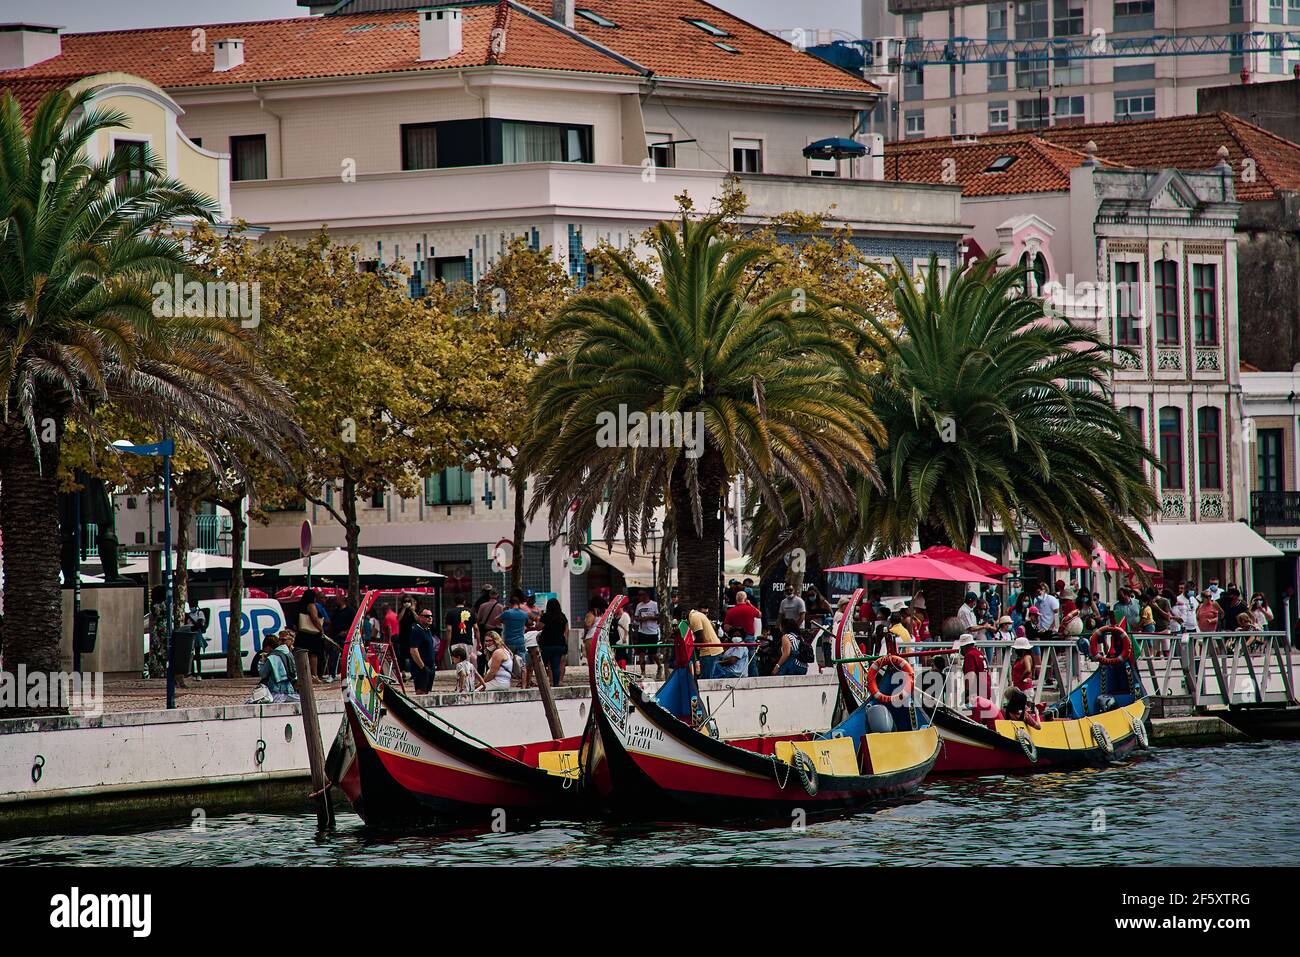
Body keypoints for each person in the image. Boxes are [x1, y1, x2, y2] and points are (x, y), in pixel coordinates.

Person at [254, 631, 300, 703]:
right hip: (290, 690)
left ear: (268, 647)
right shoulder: (287, 653)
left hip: (276, 691)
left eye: (265, 649)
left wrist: (262, 662)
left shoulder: (272, 657)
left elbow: (263, 674)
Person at [499, 590, 532, 678]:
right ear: (518, 604)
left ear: (510, 604)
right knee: (522, 661)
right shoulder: (524, 614)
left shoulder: (507, 613)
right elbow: (529, 623)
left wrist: (504, 614)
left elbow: (497, 620)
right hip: (520, 640)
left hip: (509, 640)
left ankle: (508, 676)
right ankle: (523, 677)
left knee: (508, 660)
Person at [296, 588, 327, 681]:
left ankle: (304, 674)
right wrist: (321, 629)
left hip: (302, 633)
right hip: (312, 634)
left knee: (303, 654)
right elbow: (314, 618)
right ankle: (314, 675)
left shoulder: (300, 605)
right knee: (313, 654)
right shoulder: (311, 605)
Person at [538, 598, 569, 687]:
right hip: (559, 644)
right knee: (556, 665)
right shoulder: (562, 616)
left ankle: (547, 682)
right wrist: (565, 643)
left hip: (547, 644)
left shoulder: (546, 616)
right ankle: (557, 682)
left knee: (545, 664)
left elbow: (539, 627)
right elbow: (566, 630)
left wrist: (540, 617)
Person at [689, 602, 724, 678]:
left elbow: (700, 638)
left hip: (709, 651)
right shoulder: (699, 616)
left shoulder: (695, 617)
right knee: (716, 675)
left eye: (706, 613)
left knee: (706, 678)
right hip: (715, 649)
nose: (705, 615)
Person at [408, 608, 438, 694]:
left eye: (431, 616)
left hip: (430, 666)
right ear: (420, 617)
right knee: (421, 692)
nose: (430, 618)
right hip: (421, 668)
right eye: (427, 616)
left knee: (427, 692)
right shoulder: (417, 630)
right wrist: (422, 667)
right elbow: (413, 650)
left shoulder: (428, 630)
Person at [633, 589, 661, 671]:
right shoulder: (639, 605)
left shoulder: (654, 604)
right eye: (639, 594)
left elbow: (658, 617)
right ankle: (642, 670)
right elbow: (635, 617)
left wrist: (649, 618)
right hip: (642, 632)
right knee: (642, 652)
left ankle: (659, 665)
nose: (640, 596)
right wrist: (639, 619)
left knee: (653, 653)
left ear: (646, 595)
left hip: (652, 632)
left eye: (641, 594)